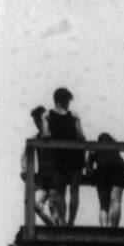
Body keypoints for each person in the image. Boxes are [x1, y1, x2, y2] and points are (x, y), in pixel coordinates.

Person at [46, 87, 85, 226]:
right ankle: (71, 222)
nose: (69, 104)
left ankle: (62, 220)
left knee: (60, 192)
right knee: (74, 191)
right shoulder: (73, 115)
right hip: (75, 156)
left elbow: (46, 134)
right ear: (63, 100)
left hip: (60, 156)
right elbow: (81, 136)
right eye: (68, 100)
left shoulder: (48, 115)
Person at [21, 106, 57, 225]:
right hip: (43, 179)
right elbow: (25, 154)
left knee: (52, 206)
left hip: (55, 177)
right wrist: (25, 170)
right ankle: (56, 229)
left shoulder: (54, 136)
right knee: (36, 204)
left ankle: (58, 234)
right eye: (35, 122)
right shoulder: (35, 138)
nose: (37, 124)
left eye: (39, 121)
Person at [88, 133, 124, 227]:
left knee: (103, 205)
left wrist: (92, 174)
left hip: (102, 168)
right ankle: (113, 228)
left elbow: (89, 168)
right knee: (116, 201)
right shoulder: (115, 148)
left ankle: (104, 228)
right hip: (119, 167)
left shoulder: (96, 149)